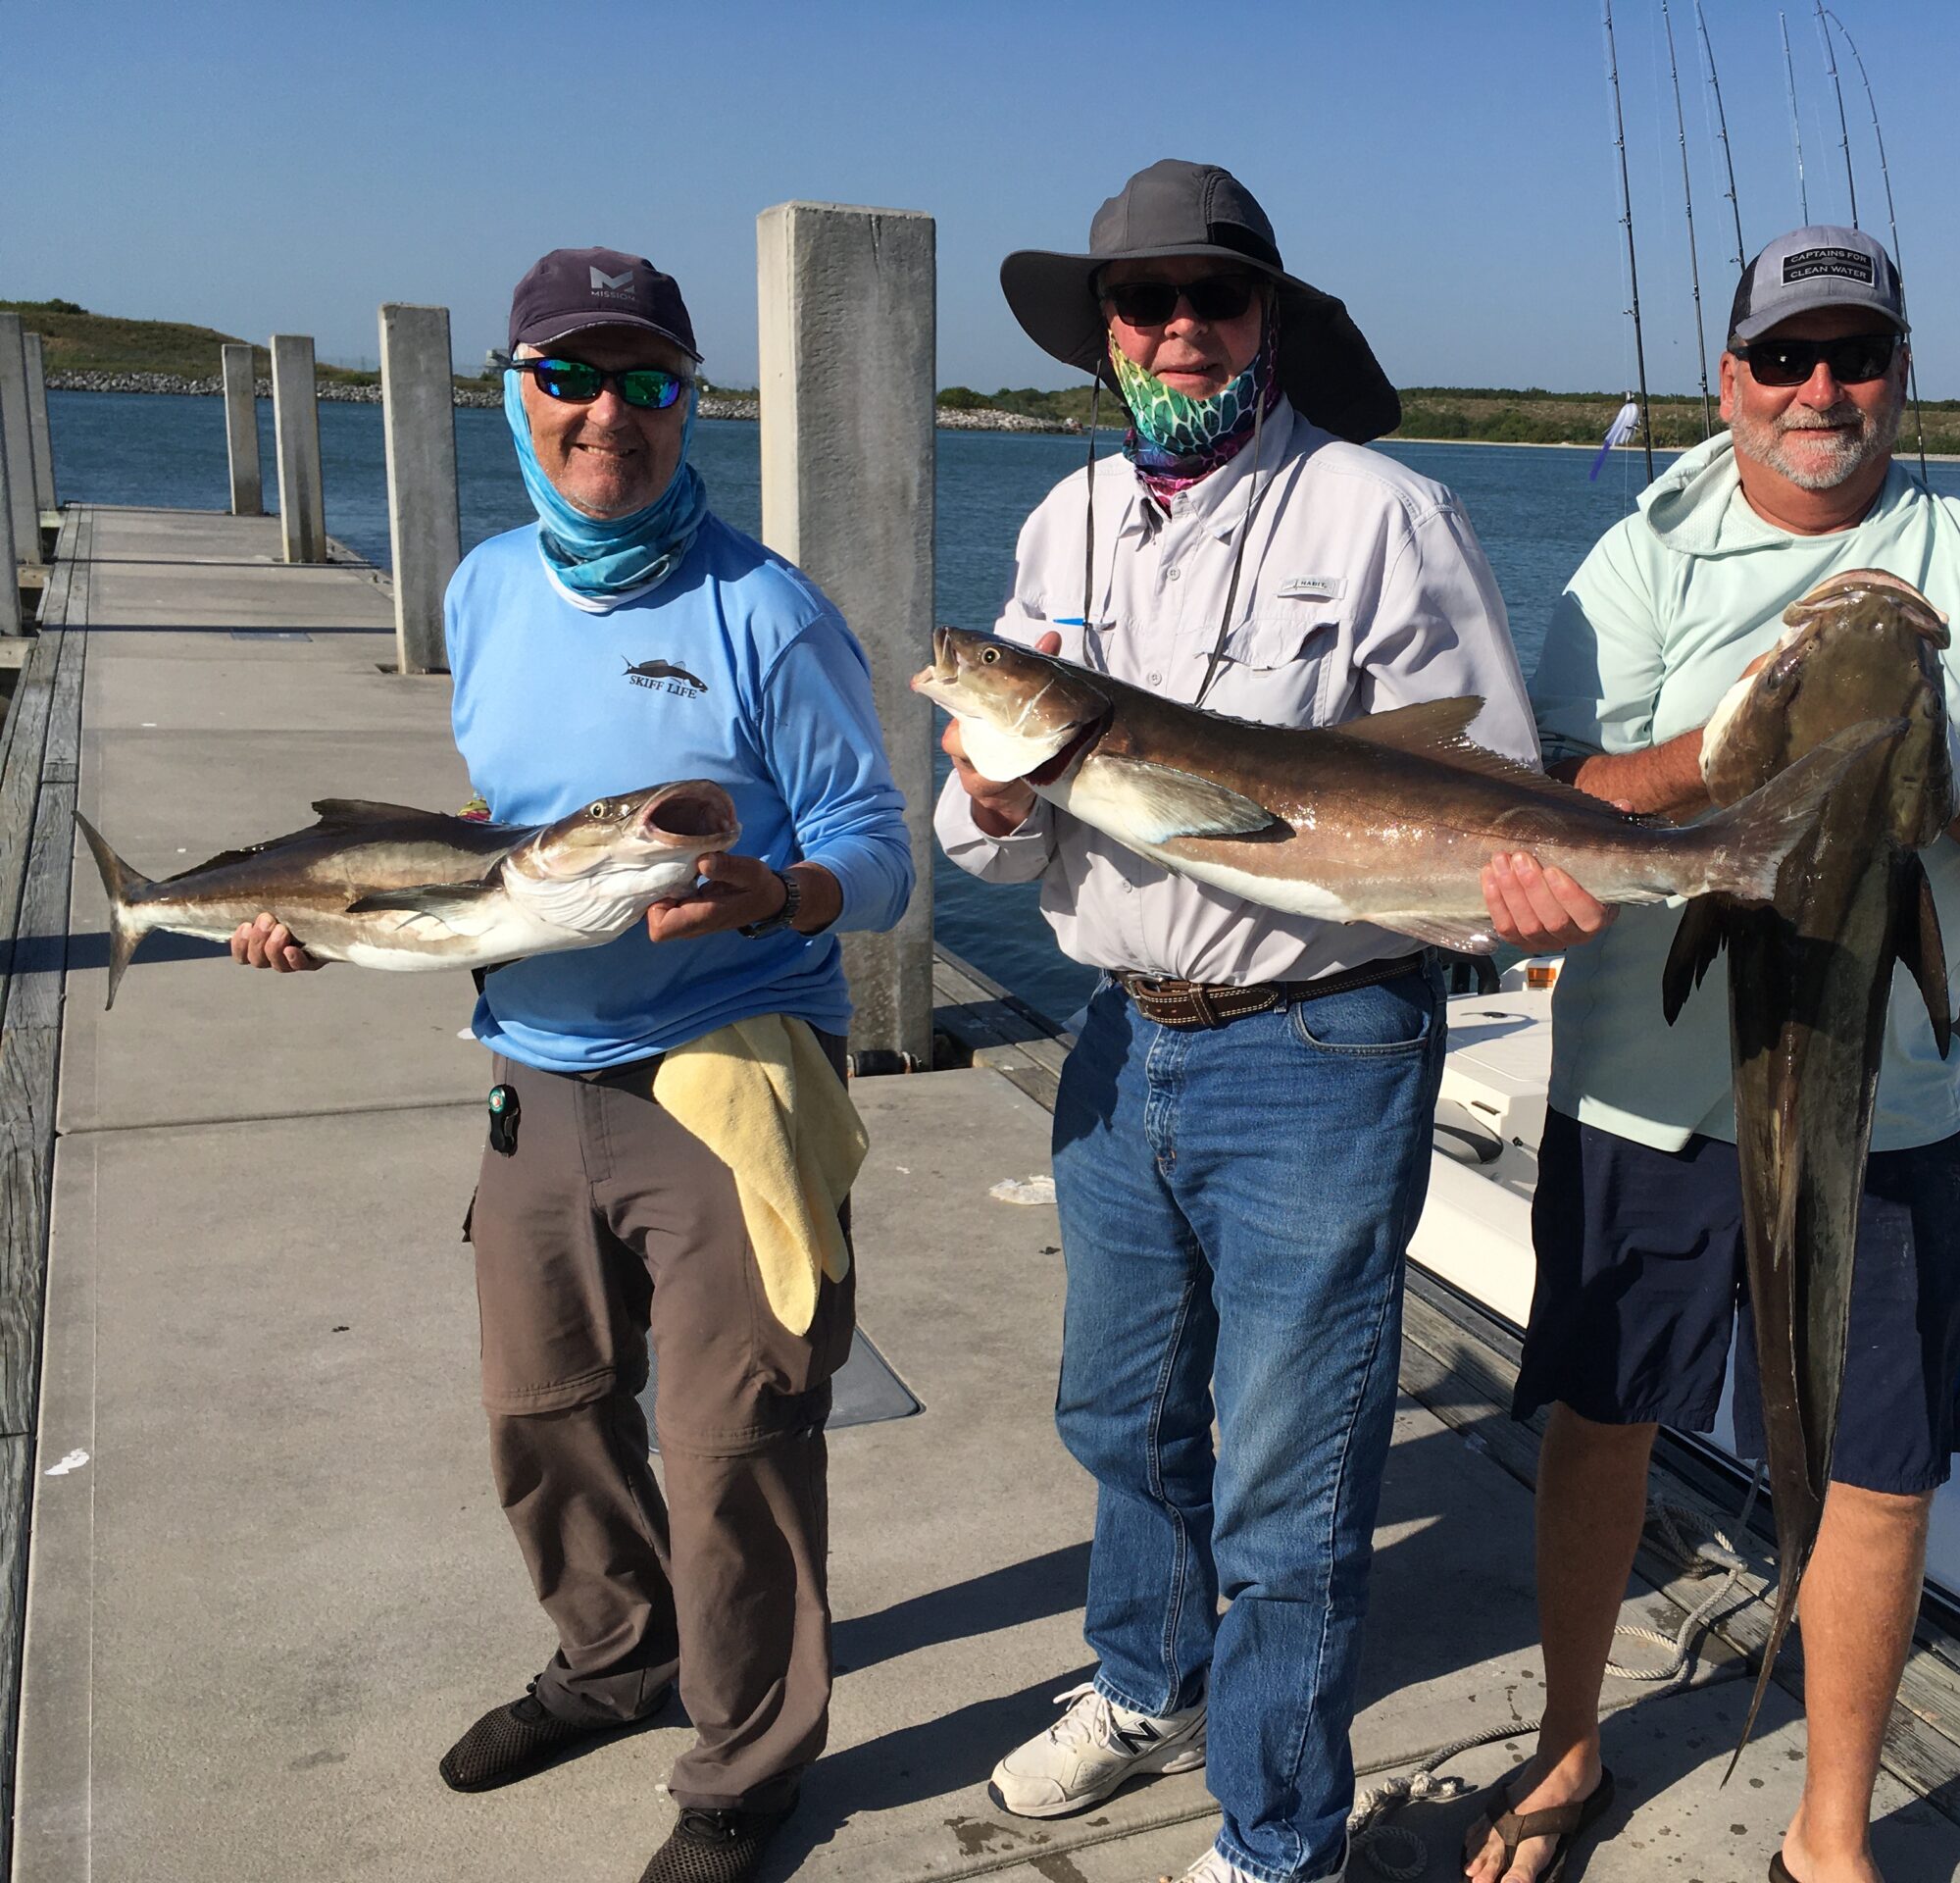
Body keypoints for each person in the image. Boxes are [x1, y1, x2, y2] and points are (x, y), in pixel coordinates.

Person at [231, 246, 910, 1883]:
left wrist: (784, 890)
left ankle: (748, 1763)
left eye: (652, 384)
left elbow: (879, 849)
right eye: (573, 380)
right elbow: (502, 824)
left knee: (732, 1437)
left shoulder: (766, 611)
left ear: (694, 404)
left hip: (724, 1071)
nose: (613, 414)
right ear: (517, 397)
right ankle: (617, 1661)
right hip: (528, 1069)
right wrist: (332, 909)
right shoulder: (480, 589)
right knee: (542, 1412)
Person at [1468, 225, 1960, 1883]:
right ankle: (1567, 1743)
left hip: (1887, 1103)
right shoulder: (1641, 559)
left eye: (1858, 355)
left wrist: (1943, 781)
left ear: (1902, 376)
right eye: (1785, 357)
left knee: (1875, 1461)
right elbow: (1545, 798)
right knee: (1601, 1416)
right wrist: (1725, 754)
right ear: (1730, 379)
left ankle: (1831, 1833)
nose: (1821, 388)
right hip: (1636, 1086)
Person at [936, 160, 1538, 1883]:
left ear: (1272, 319)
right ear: (1103, 335)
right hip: (1119, 1035)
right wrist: (987, 792)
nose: (1181, 328)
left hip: (1321, 1044)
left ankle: (1283, 1838)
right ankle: (1149, 1681)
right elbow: (993, 839)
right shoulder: (1060, 528)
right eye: (1145, 303)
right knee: (1120, 1413)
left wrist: (1536, 887)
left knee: (1292, 1475)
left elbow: (1490, 785)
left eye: (1217, 297)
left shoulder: (1382, 515)